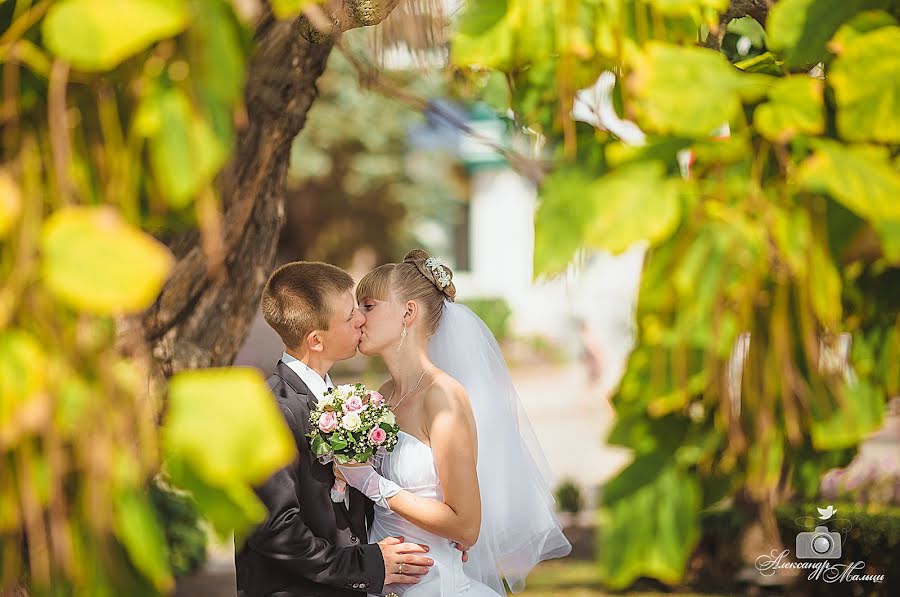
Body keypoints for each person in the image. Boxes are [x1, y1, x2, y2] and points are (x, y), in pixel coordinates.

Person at [336, 250, 571, 596]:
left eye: (368, 306)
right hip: (380, 579)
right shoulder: (380, 397)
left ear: (408, 312)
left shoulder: (443, 396)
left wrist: (371, 483)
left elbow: (466, 525)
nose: (357, 318)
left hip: (434, 584)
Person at [235, 261, 435, 597]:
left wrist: (434, 536)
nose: (361, 318)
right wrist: (366, 566)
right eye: (349, 315)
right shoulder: (271, 409)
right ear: (315, 340)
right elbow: (275, 529)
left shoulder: (342, 399)